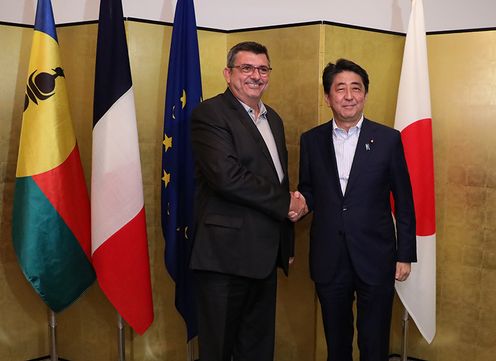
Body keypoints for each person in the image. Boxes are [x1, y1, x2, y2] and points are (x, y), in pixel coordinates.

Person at [189, 41, 306, 361]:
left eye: (263, 69)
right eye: (246, 68)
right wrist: (286, 203)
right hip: (224, 258)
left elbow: (277, 181)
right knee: (219, 349)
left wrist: (286, 241)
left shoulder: (274, 120)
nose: (256, 75)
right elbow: (227, 177)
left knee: (256, 349)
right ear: (228, 74)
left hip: (264, 258)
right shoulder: (210, 113)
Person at [298, 59, 417, 361]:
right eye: (340, 89)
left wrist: (405, 254)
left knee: (374, 343)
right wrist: (297, 205)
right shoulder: (311, 141)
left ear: (365, 94)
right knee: (336, 343)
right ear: (328, 97)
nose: (349, 96)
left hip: (376, 256)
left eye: (356, 88)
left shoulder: (389, 139)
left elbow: (404, 200)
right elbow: (309, 190)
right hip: (329, 257)